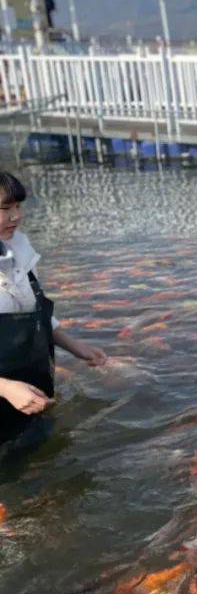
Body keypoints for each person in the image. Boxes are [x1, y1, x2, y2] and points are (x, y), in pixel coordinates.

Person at [0, 171, 106, 428]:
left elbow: (33, 311)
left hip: (31, 394)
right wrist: (5, 388)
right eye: (5, 208)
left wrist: (74, 346)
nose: (16, 216)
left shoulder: (19, 251)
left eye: (17, 207)